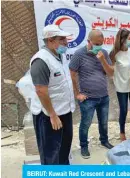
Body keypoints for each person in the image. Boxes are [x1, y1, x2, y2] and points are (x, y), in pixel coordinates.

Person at [29, 25, 75, 164]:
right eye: (61, 39)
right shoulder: (41, 60)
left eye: (65, 39)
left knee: (64, 150)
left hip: (64, 112)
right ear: (50, 40)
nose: (65, 42)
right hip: (49, 116)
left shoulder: (59, 56)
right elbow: (41, 91)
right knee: (51, 154)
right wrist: (52, 115)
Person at [69, 30, 114, 159]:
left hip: (103, 96)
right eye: (96, 44)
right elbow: (72, 74)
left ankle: (104, 140)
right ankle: (84, 146)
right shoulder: (79, 54)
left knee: (104, 122)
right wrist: (77, 93)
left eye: (101, 43)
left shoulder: (103, 53)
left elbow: (110, 73)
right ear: (88, 41)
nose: (99, 46)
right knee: (85, 123)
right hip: (88, 98)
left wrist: (103, 60)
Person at [109, 29, 130, 141]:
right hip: (121, 86)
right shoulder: (114, 54)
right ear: (123, 40)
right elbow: (110, 70)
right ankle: (122, 132)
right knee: (124, 110)